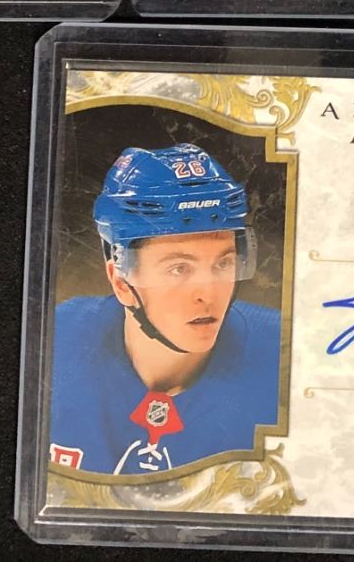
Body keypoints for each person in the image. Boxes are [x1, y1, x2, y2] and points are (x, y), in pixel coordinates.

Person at [47, 145, 280, 475]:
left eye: (223, 263)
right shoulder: (57, 340)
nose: (208, 294)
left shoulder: (287, 358)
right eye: (178, 269)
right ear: (121, 282)